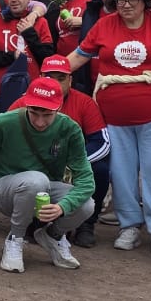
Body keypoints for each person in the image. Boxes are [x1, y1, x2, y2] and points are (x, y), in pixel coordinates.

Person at [0, 75, 97, 273]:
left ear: (59, 108)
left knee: (87, 205)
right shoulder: (4, 122)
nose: (40, 121)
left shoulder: (70, 129)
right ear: (26, 104)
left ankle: (52, 235)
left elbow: (86, 181)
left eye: (47, 115)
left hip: (44, 193)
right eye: (34, 113)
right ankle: (15, 238)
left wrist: (63, 206)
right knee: (36, 180)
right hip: (5, 189)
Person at [37, 52, 111, 246]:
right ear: (39, 78)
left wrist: (74, 162)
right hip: (38, 163)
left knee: (100, 170)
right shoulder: (26, 100)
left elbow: (102, 142)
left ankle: (87, 224)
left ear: (70, 80)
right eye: (49, 78)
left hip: (73, 164)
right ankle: (34, 222)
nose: (55, 83)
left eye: (61, 78)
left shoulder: (85, 102)